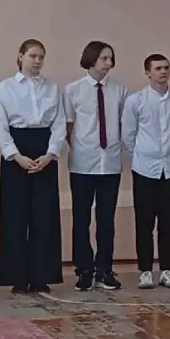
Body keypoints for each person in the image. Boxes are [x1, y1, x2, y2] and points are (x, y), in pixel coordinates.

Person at [0, 39, 65, 294]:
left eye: (41, 57)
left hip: (44, 150)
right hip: (17, 151)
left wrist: (50, 154)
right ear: (20, 56)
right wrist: (16, 156)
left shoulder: (52, 87)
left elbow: (59, 123)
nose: (37, 61)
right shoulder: (6, 87)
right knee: (15, 216)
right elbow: (1, 126)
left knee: (44, 216)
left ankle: (41, 276)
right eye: (32, 55)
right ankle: (17, 277)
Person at [122, 53, 170, 289]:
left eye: (166, 67)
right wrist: (144, 154)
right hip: (144, 169)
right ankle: (145, 270)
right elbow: (128, 135)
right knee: (144, 222)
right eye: (158, 68)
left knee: (168, 222)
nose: (163, 72)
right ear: (147, 73)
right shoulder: (135, 100)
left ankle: (166, 269)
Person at [63, 41, 125, 293]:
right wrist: (81, 147)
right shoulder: (73, 90)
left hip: (110, 163)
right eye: (103, 58)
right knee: (81, 218)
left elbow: (123, 123)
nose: (108, 63)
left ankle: (104, 269)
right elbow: (68, 126)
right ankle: (84, 269)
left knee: (106, 219)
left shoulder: (120, 90)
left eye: (110, 58)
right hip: (83, 164)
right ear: (91, 59)